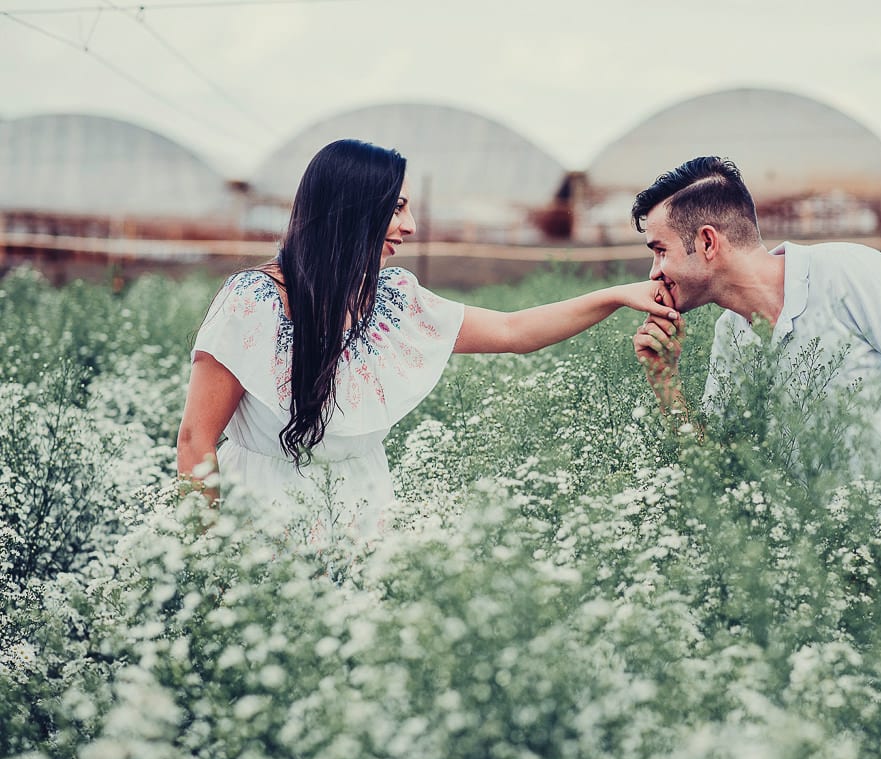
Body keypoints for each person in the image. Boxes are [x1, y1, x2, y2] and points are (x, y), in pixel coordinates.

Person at [177, 138, 678, 534]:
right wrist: (209, 560)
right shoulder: (253, 301)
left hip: (362, 519)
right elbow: (196, 438)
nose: (410, 225)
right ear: (351, 210)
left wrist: (614, 296)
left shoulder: (393, 299)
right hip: (262, 524)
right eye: (396, 208)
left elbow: (512, 329)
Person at [630, 156, 881, 588]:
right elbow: (722, 470)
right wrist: (665, 383)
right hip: (852, 560)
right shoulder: (731, 335)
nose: (655, 273)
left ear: (708, 242)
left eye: (659, 250)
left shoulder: (847, 272)